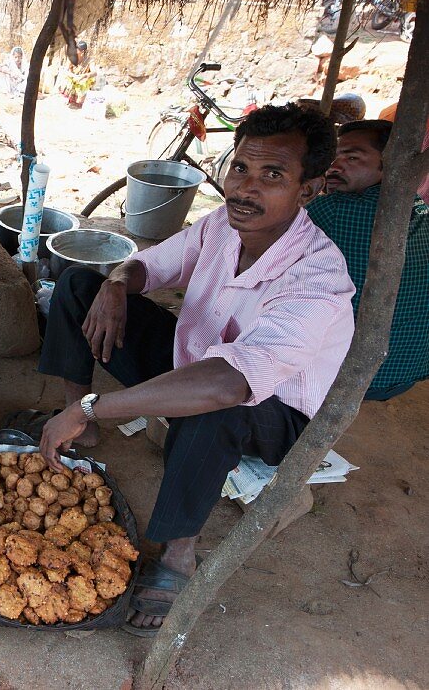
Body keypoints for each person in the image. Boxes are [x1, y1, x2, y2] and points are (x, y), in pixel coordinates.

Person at [37, 103, 354, 635]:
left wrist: (96, 403)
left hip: (272, 413)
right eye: (239, 169)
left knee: (219, 407)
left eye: (272, 175)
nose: (245, 189)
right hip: (197, 360)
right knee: (78, 287)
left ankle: (179, 551)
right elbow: (153, 264)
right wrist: (115, 283)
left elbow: (231, 382)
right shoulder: (220, 227)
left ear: (308, 190)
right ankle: (83, 430)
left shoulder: (318, 278)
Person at [307, 119, 429, 400]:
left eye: (352, 157)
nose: (335, 167)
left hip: (350, 377)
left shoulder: (334, 211)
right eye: (334, 157)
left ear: (388, 164)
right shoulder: (420, 208)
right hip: (406, 373)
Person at [58, 41, 97, 108]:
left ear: (82, 51)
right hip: (73, 78)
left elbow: (95, 72)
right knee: (66, 79)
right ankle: (69, 98)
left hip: (82, 80)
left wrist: (85, 75)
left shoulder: (89, 60)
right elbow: (65, 70)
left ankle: (79, 100)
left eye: (77, 49)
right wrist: (74, 76)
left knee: (85, 83)